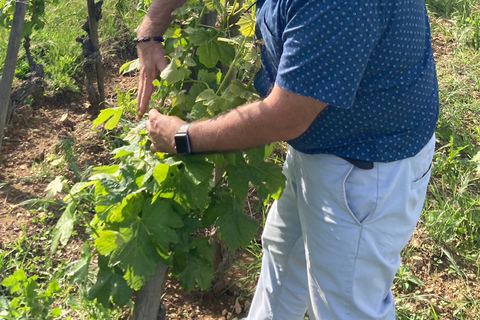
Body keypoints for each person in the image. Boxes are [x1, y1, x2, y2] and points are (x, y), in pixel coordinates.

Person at [136, 0, 439, 319]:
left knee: (348, 307)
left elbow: (287, 116)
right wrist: (153, 23)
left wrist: (183, 137)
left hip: (364, 168)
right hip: (322, 144)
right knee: (283, 260)